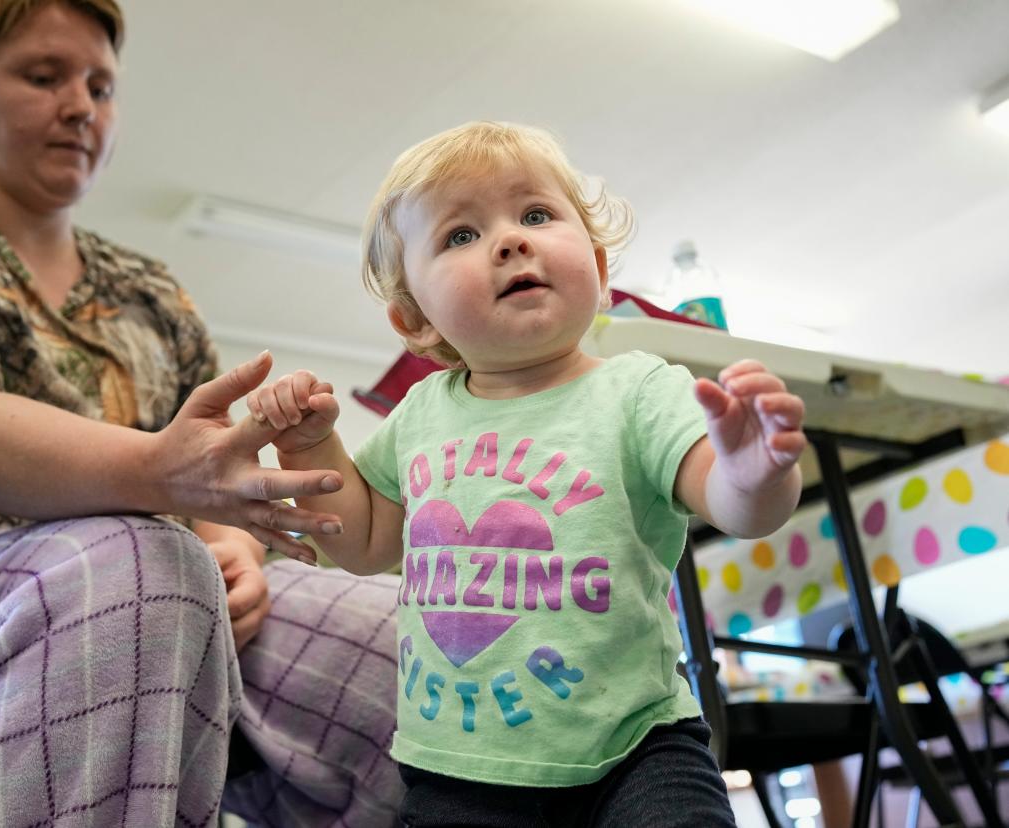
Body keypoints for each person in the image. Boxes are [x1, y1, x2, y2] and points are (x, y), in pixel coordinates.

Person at [0, 0, 403, 824]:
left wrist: (233, 549)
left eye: (101, 87)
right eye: (43, 77)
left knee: (419, 642)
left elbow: (209, 471)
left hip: (157, 597)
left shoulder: (150, 293)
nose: (82, 106)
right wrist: (162, 480)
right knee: (136, 566)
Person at [247, 121, 807, 826]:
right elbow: (362, 544)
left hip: (634, 748)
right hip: (457, 770)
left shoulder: (638, 391)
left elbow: (738, 508)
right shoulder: (422, 412)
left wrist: (752, 472)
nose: (511, 240)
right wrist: (310, 442)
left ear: (600, 270)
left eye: (536, 214)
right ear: (416, 320)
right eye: (460, 235)